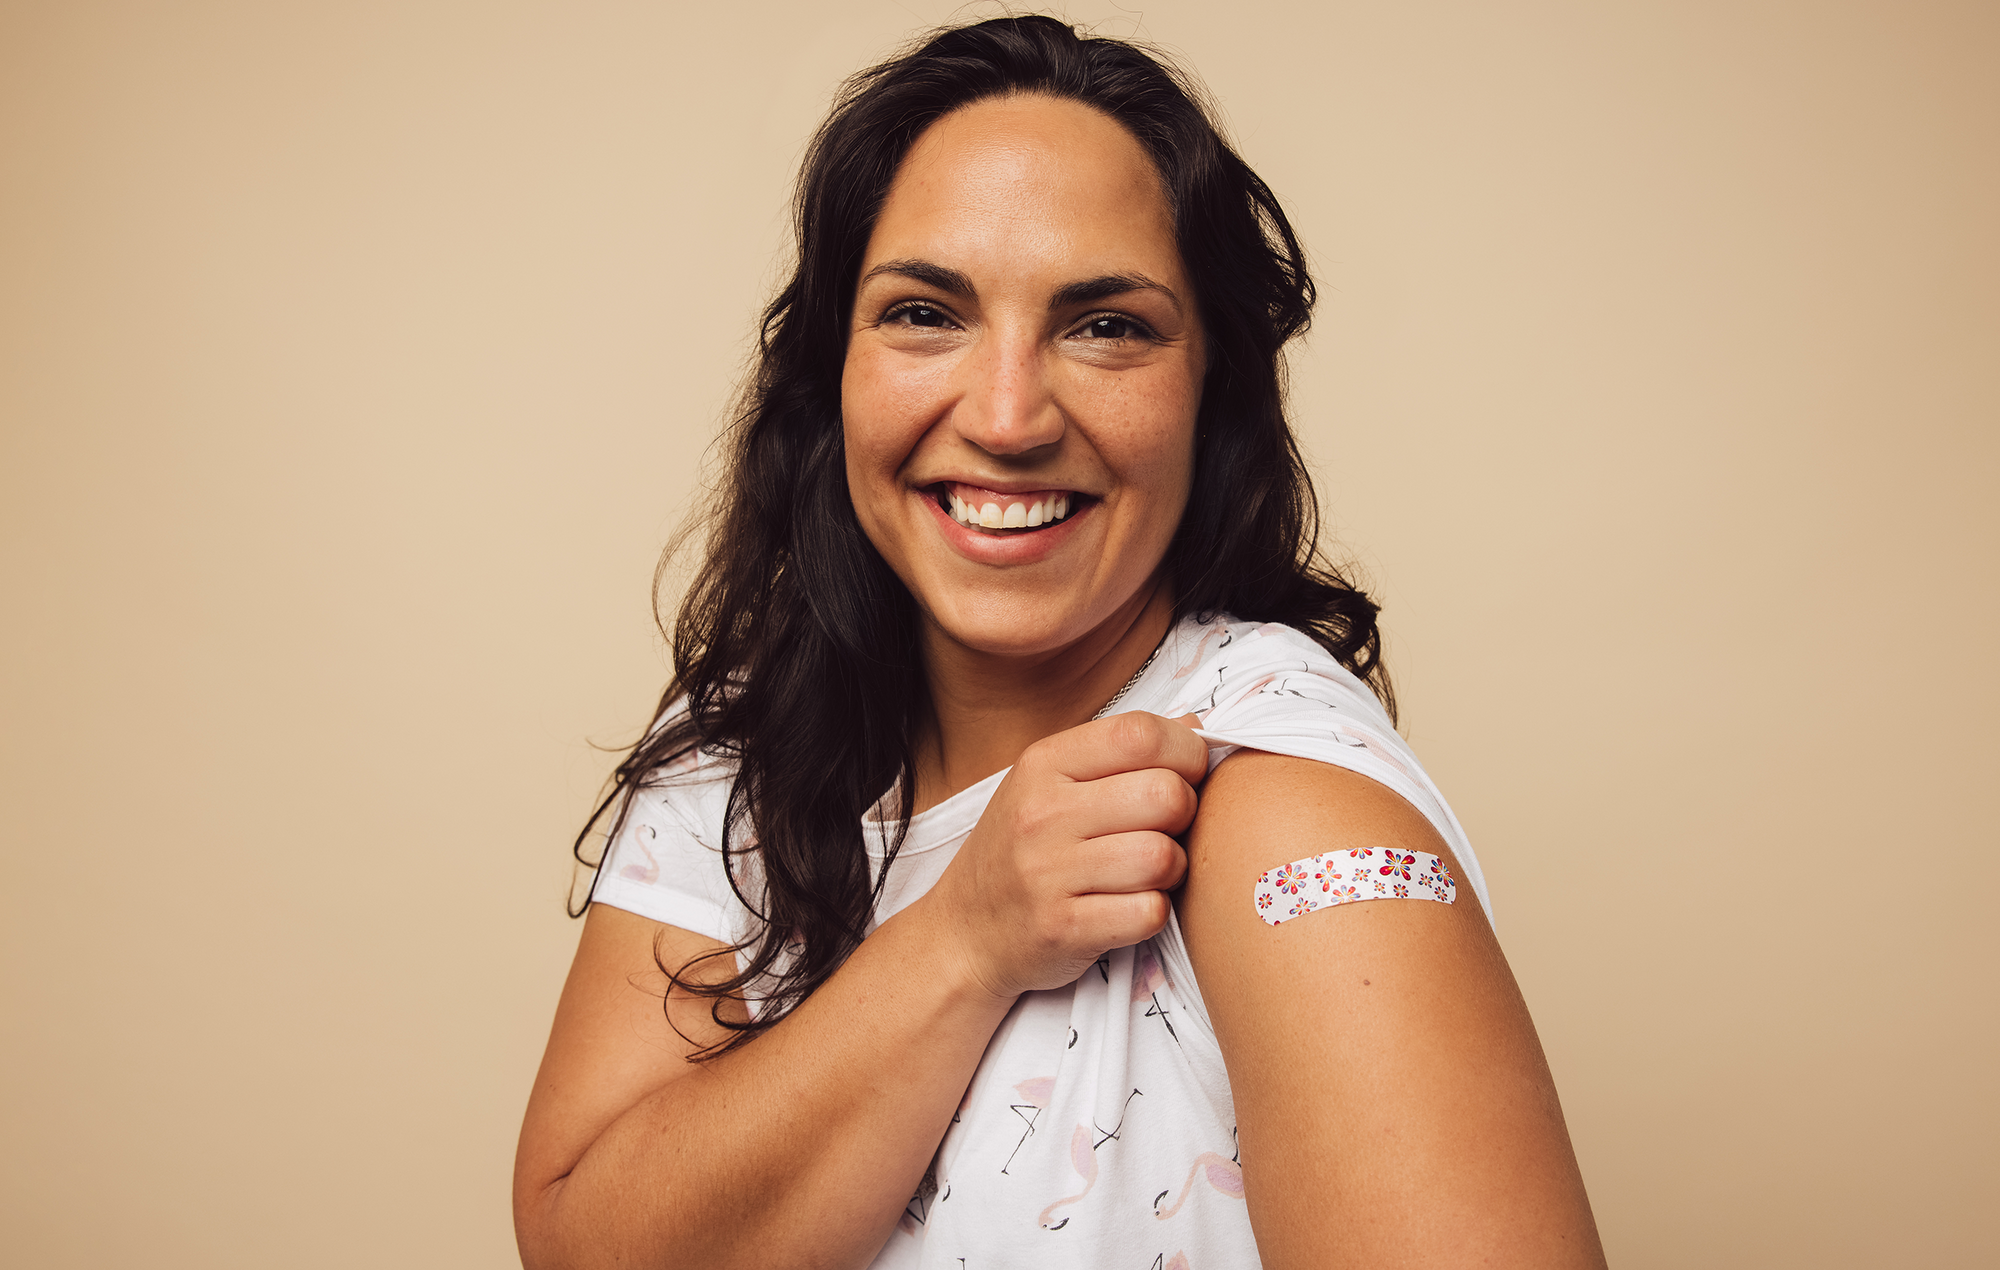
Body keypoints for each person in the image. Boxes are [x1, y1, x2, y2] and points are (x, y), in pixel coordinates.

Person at [514, 15, 1606, 1269]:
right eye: (925, 312)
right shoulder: (739, 746)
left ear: (1215, 394)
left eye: (1106, 326)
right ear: (832, 372)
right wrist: (965, 934)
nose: (1006, 414)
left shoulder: (1288, 820)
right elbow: (582, 1239)